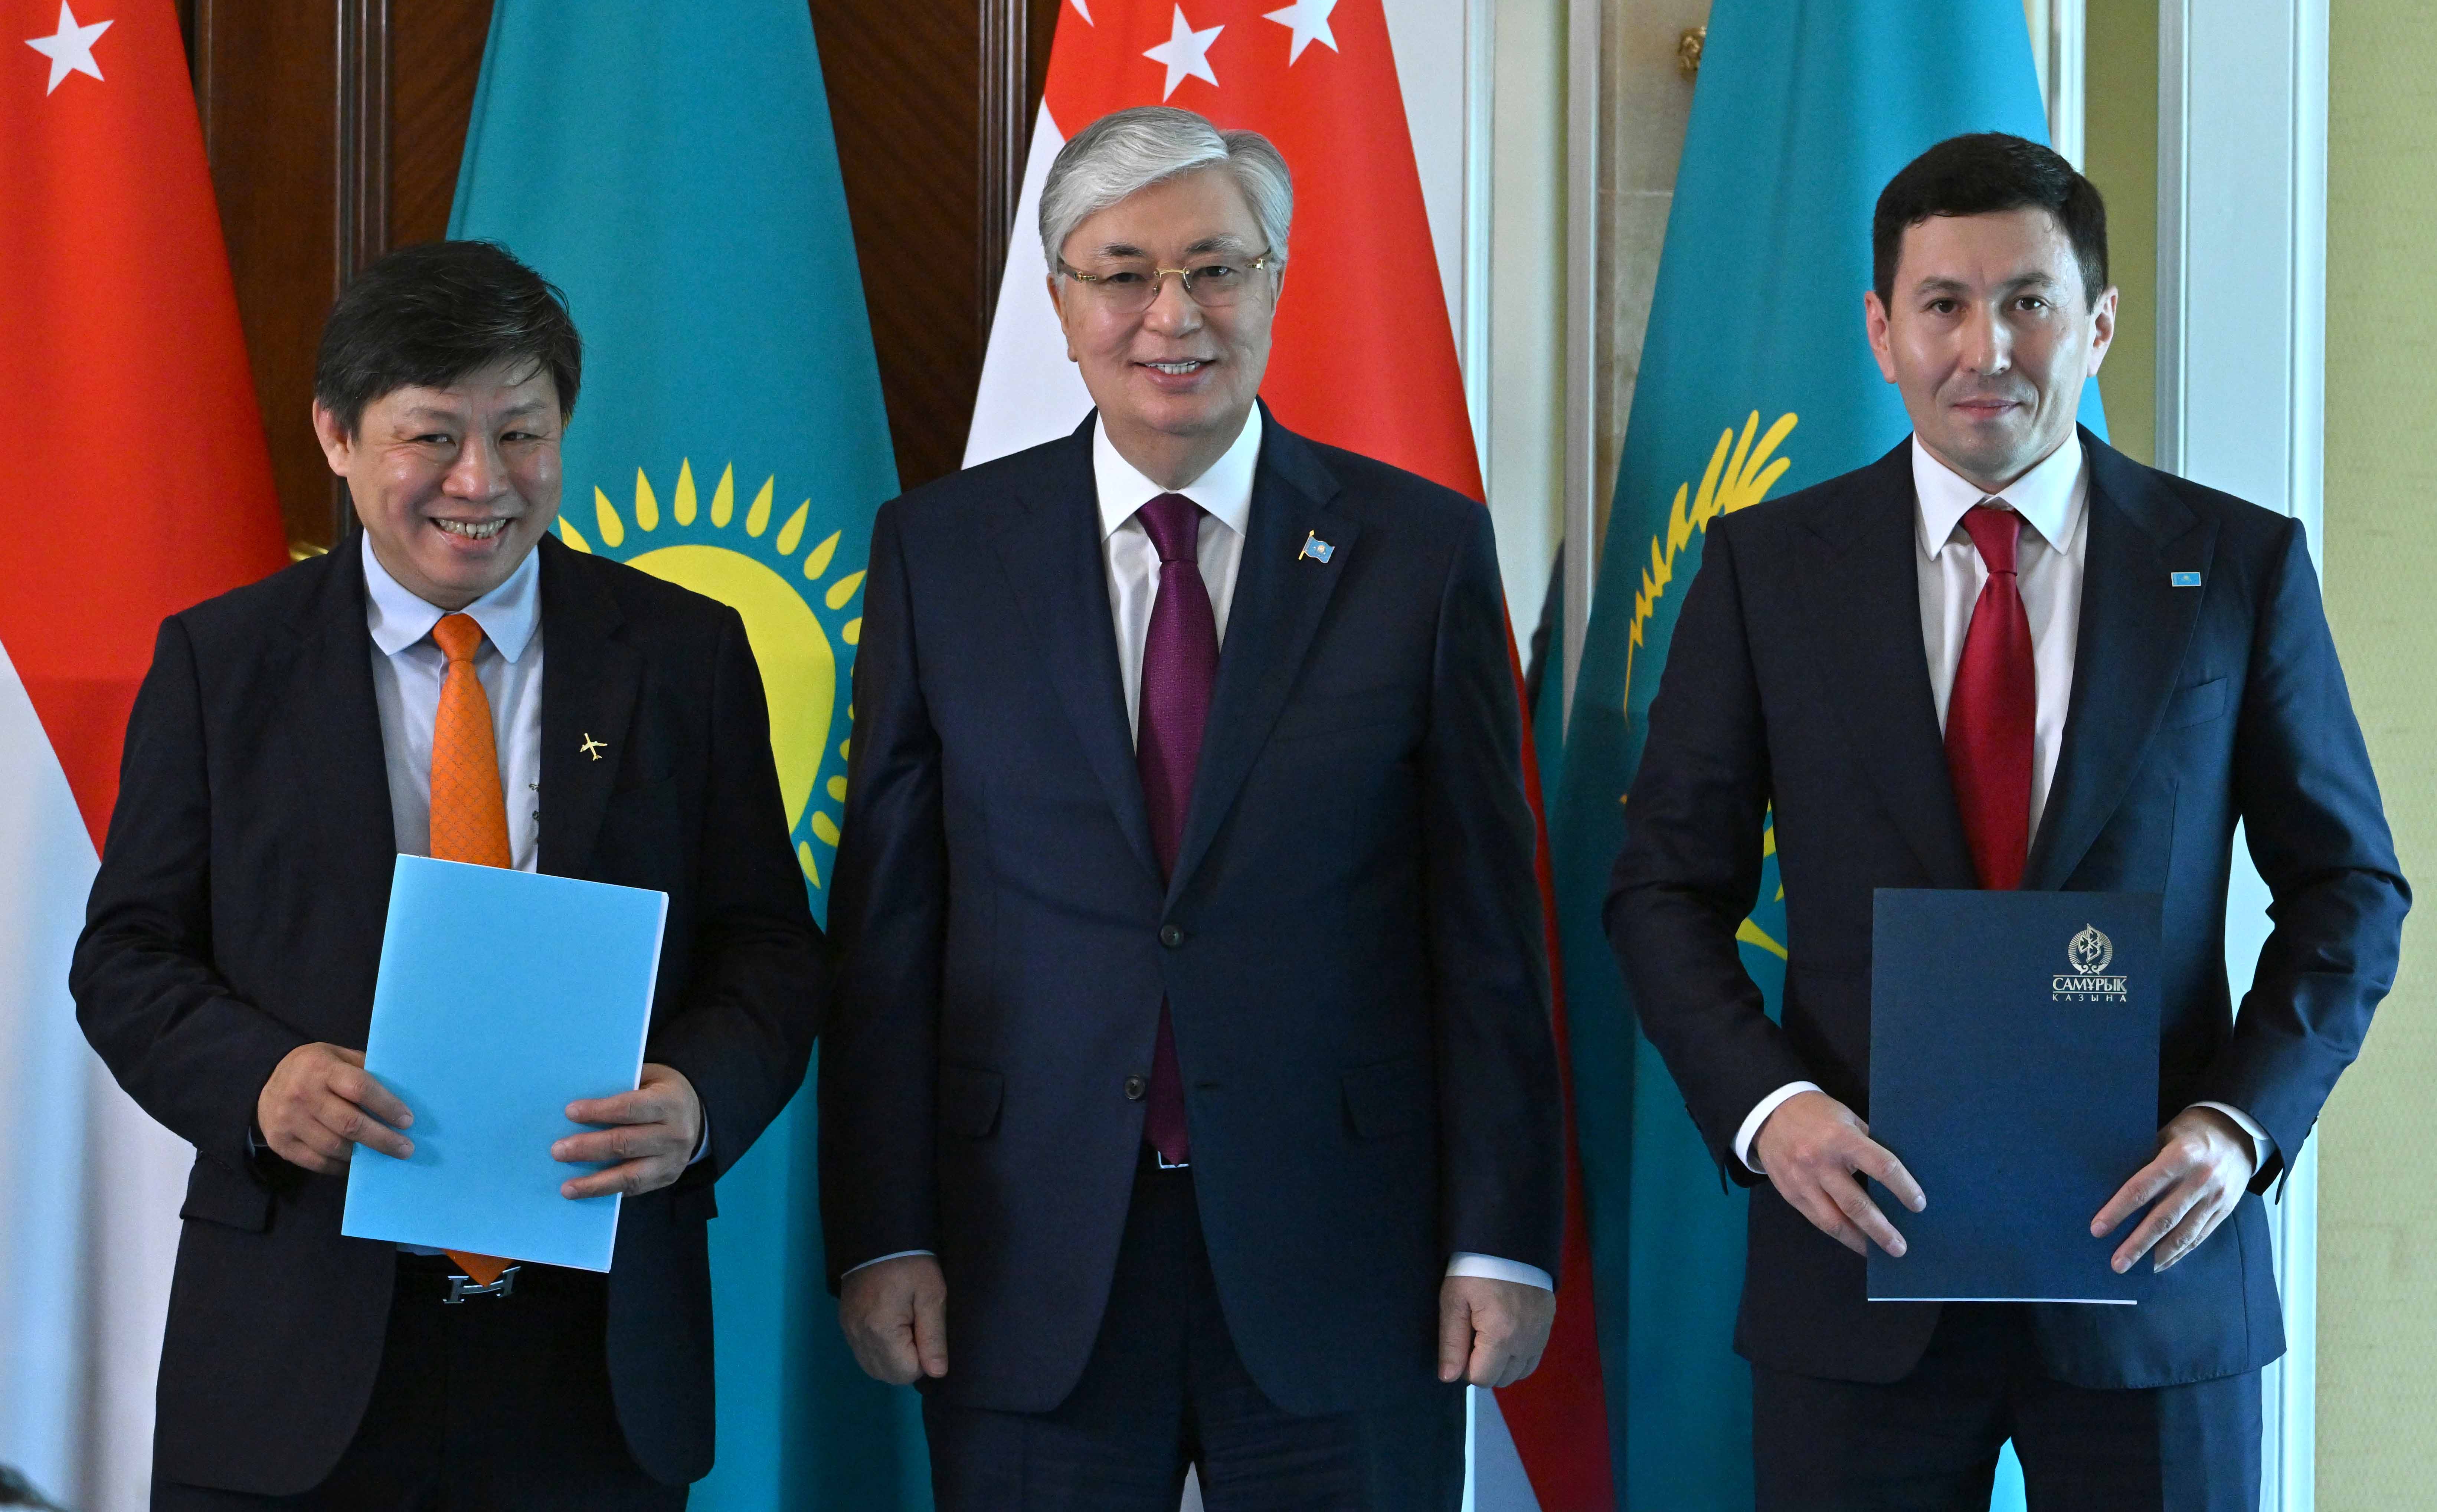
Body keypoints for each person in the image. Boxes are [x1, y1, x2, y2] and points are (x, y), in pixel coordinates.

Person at [1606, 132, 2408, 1511]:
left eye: (2029, 302)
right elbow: (1663, 889)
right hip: (1858, 1262)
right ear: (1882, 332)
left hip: (2152, 1267)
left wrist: (2238, 1125)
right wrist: (1770, 1112)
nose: (1987, 349)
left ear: (2097, 326)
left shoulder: (2239, 566)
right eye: (1945, 304)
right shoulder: (1766, 572)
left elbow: (2350, 890)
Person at [818, 105, 1566, 1511]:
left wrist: (1500, 1237)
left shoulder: (1420, 552)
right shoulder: (941, 553)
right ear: (1062, 303)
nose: (1175, 315)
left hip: (1349, 1257)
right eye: (1124, 274)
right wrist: (881, 1231)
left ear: (1275, 284)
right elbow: (890, 936)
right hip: (1022, 1257)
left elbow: (1486, 932)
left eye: (1218, 269)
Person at [72, 241, 822, 1510]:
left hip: (592, 1361)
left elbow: (771, 946)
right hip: (293, 1347)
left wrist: (699, 1102)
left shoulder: (682, 655)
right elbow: (126, 956)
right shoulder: (222, 662)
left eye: (522, 434)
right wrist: (260, 1081)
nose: (482, 482)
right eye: (433, 437)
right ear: (338, 436)